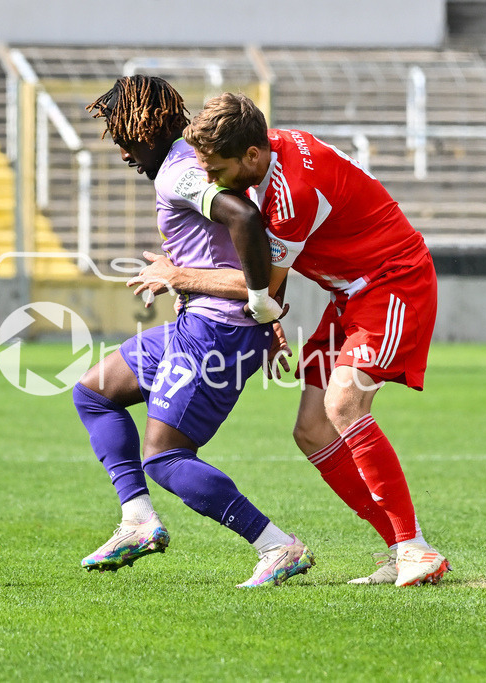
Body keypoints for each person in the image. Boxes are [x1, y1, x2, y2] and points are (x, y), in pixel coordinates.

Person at [131, 92, 450, 587]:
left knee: (344, 404)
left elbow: (262, 284)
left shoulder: (291, 192)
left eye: (216, 171)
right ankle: (403, 546)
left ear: (251, 157)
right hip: (349, 294)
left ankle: (413, 547)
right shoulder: (269, 156)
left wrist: (180, 275)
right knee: (312, 429)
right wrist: (266, 305)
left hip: (393, 283)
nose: (211, 182)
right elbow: (271, 277)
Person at [73, 75, 312, 587]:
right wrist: (260, 311)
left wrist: (256, 306)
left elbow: (246, 219)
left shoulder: (178, 173)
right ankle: (138, 521)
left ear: (149, 127)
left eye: (124, 138)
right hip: (199, 325)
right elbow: (236, 244)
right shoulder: (188, 164)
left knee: (164, 457)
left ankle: (276, 546)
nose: (122, 153)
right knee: (94, 392)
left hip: (216, 334)